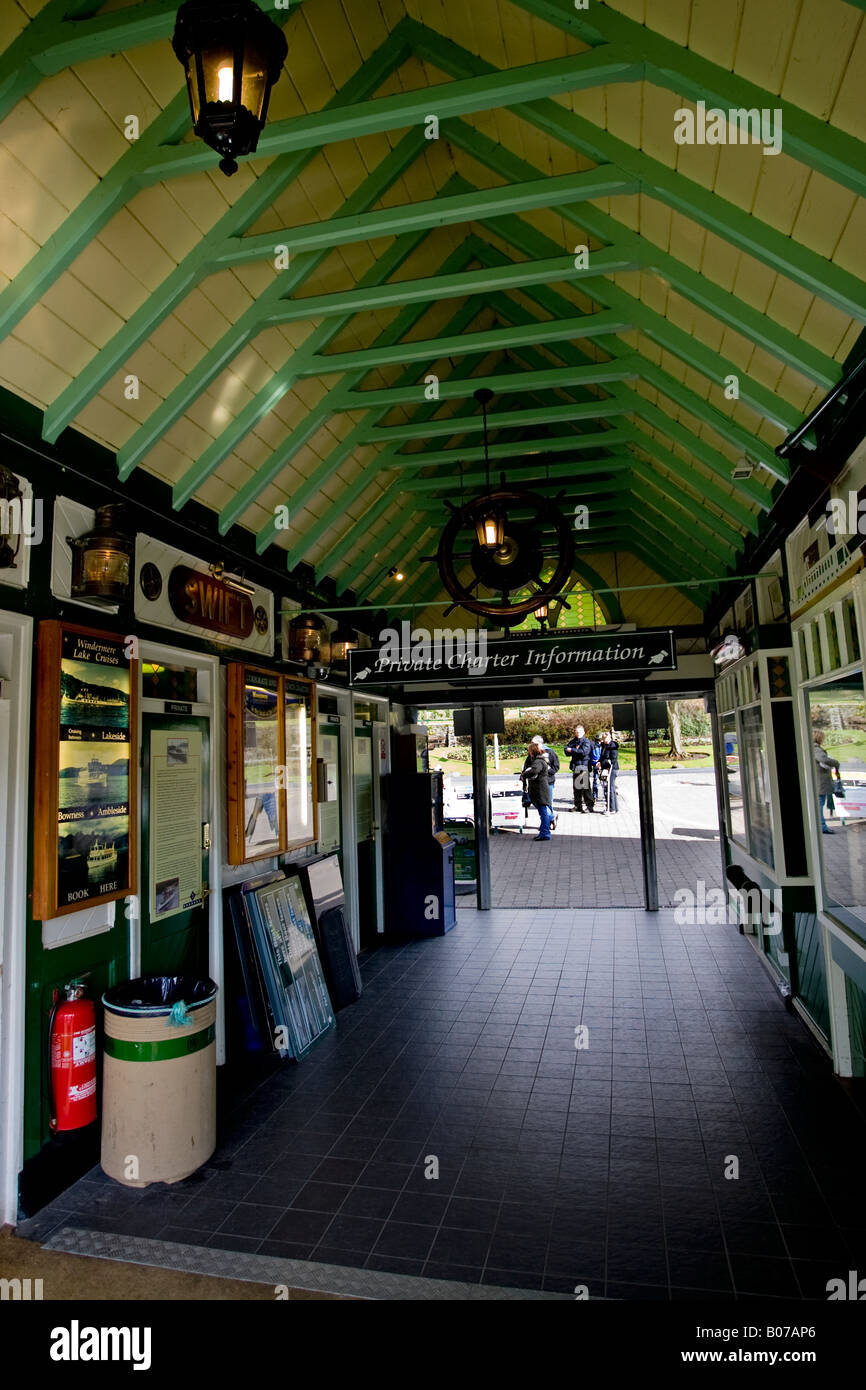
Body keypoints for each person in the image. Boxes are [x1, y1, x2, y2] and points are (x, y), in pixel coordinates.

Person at [521, 735, 560, 830]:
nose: (531, 745)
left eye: (533, 743)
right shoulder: (532, 755)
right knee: (538, 804)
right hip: (535, 783)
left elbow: (556, 767)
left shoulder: (550, 752)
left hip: (547, 782)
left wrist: (547, 771)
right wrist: (523, 775)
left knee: (546, 804)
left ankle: (545, 826)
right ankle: (550, 818)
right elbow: (527, 767)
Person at [520, 740, 552, 841]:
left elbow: (534, 770)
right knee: (543, 812)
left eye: (530, 751)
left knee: (543, 812)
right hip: (540, 790)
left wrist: (524, 774)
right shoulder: (541, 760)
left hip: (540, 790)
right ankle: (545, 830)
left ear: (532, 752)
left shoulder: (538, 762)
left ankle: (545, 833)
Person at [813, 730, 841, 834]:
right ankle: (822, 827)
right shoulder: (816, 748)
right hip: (820, 781)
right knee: (820, 804)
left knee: (819, 804)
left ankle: (821, 826)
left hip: (818, 781)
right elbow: (823, 759)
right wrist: (835, 763)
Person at [564, 724, 594, 812]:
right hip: (575, 765)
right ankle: (578, 806)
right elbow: (566, 750)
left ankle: (589, 806)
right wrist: (574, 750)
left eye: (579, 732)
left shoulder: (587, 742)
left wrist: (572, 750)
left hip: (584, 766)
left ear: (583, 732)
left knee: (585, 787)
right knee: (577, 787)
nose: (578, 734)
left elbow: (583, 752)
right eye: (576, 732)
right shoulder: (573, 741)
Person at [599, 730, 619, 813]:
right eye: (604, 739)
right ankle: (613, 807)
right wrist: (599, 762)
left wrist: (603, 762)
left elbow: (613, 760)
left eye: (606, 738)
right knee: (609, 787)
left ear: (610, 737)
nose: (605, 740)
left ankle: (611, 808)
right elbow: (602, 756)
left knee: (610, 788)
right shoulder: (604, 745)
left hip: (612, 769)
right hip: (605, 768)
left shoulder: (613, 746)